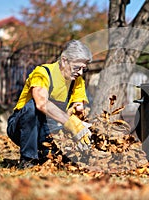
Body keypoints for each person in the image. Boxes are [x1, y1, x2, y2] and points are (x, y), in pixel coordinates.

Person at [7, 40, 92, 169]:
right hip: (21, 126)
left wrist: (81, 124)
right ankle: (27, 159)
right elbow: (41, 104)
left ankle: (43, 154)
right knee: (32, 108)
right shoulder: (42, 73)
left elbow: (78, 108)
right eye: (77, 68)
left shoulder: (77, 81)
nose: (80, 73)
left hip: (49, 129)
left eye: (83, 69)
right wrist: (70, 123)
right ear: (64, 61)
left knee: (58, 160)